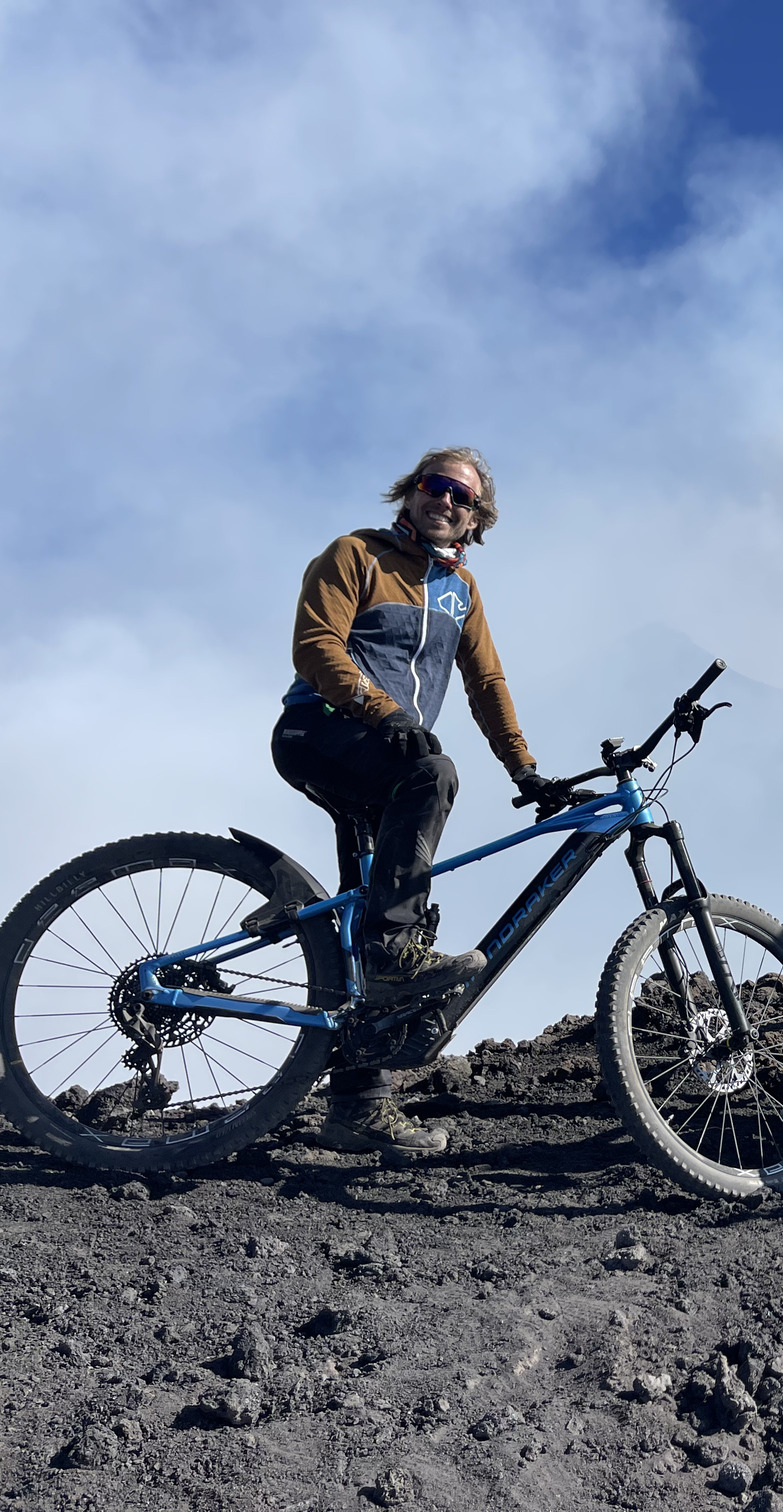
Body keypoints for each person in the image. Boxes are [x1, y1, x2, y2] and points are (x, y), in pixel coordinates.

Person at [272, 447, 571, 1156]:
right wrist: (381, 710)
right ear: (409, 494)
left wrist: (525, 771)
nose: (446, 501)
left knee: (386, 900)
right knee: (431, 782)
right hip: (323, 728)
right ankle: (390, 955)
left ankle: (357, 1107)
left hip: (388, 756)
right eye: (435, 487)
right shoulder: (356, 555)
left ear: (476, 518)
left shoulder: (459, 590)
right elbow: (315, 645)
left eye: (461, 497)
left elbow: (486, 685)